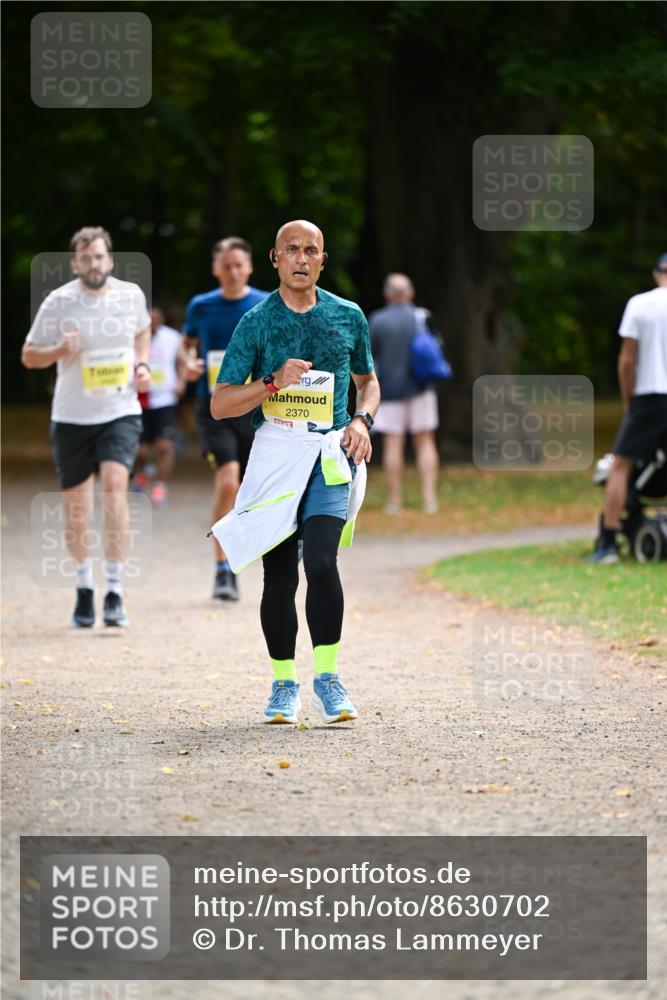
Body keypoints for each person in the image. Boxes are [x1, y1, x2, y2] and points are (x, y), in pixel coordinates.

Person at [211, 220, 380, 725]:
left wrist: (362, 421)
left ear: (323, 260)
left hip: (330, 452)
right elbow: (221, 403)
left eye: (311, 250)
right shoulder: (257, 322)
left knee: (323, 562)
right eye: (291, 250)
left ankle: (328, 679)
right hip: (277, 453)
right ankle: (284, 684)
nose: (301, 258)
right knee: (280, 574)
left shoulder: (347, 315)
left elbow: (369, 382)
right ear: (275, 258)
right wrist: (271, 382)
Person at [21, 226, 151, 627]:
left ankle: (114, 589)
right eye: (85, 258)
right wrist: (60, 349)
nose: (93, 264)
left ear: (109, 260)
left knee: (114, 488)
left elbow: (142, 330)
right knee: (78, 510)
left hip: (120, 410)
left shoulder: (131, 295)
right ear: (75, 264)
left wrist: (142, 365)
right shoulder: (59, 302)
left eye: (99, 257)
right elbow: (29, 355)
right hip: (72, 417)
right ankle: (83, 585)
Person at [183, 237, 268, 600]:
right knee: (228, 479)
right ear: (216, 269)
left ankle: (267, 557)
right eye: (226, 266)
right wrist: (188, 365)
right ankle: (222, 568)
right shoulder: (201, 306)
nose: (233, 272)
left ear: (249, 268)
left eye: (239, 265)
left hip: (255, 408)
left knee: (256, 488)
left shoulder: (266, 303)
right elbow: (186, 347)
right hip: (214, 407)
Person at [589, 253, 667, 563]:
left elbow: (627, 359)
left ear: (656, 274)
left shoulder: (640, 304)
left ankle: (607, 544)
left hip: (649, 394)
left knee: (620, 466)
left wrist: (628, 401)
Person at [369, 273, 440, 514]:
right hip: (421, 389)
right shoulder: (422, 316)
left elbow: (370, 357)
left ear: (387, 295)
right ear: (410, 293)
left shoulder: (377, 320)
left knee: (393, 444)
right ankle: (429, 500)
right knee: (425, 442)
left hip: (389, 391)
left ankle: (394, 501)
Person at [133, 305, 185, 506]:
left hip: (165, 399)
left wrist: (181, 381)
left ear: (161, 319)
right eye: (148, 319)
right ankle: (142, 474)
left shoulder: (172, 337)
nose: (152, 323)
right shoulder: (132, 337)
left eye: (155, 319)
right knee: (142, 450)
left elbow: (182, 361)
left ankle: (160, 487)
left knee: (164, 446)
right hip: (139, 399)